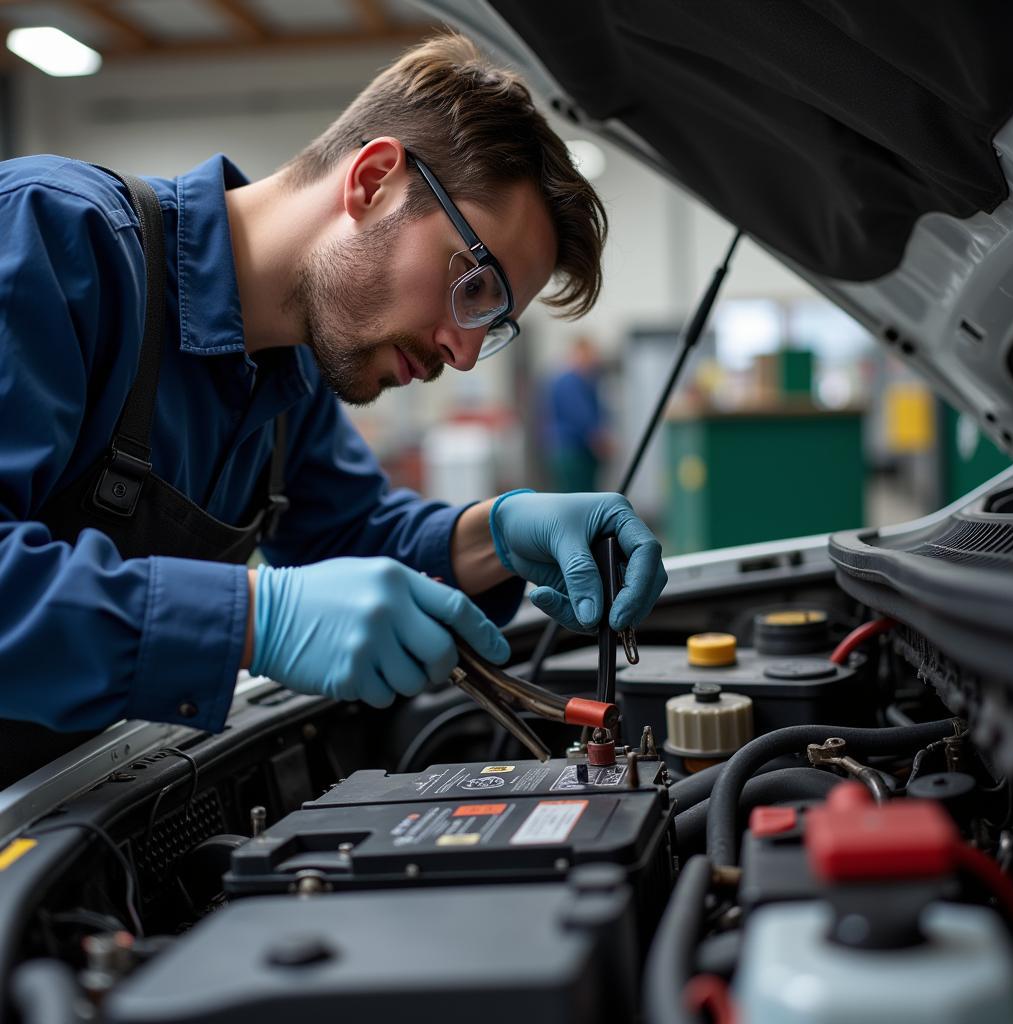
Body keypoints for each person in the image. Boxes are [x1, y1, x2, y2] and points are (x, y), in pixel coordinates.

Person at [0, 32, 667, 785]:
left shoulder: (291, 377)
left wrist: (502, 535)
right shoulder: (52, 241)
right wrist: (258, 619)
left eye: (494, 322)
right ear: (375, 180)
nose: (466, 354)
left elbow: (349, 542)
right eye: (474, 286)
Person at [543, 336, 613, 492]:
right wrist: (601, 442)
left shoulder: (586, 381)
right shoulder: (570, 383)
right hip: (573, 452)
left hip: (575, 451)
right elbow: (582, 419)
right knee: (578, 497)